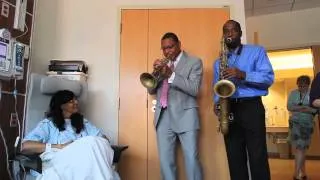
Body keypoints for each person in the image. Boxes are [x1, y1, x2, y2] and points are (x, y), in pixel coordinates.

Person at [213, 20, 274, 180]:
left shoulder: (257, 52)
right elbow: (217, 87)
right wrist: (217, 102)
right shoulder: (219, 62)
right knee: (234, 158)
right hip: (229, 108)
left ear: (240, 33)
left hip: (251, 107)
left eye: (233, 30)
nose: (230, 33)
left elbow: (268, 78)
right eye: (226, 30)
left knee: (257, 155)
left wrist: (243, 74)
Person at [22, 90, 119, 180]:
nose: (76, 102)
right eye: (71, 101)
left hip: (85, 161)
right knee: (92, 143)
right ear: (61, 105)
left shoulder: (84, 123)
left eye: (76, 100)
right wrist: (59, 146)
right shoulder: (48, 124)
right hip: (60, 160)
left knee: (95, 142)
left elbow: (103, 141)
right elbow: (25, 146)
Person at [147, 32, 203, 180]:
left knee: (191, 160)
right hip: (163, 116)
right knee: (166, 162)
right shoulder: (163, 65)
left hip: (186, 116)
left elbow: (194, 89)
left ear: (179, 44)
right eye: (164, 48)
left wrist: (171, 75)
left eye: (170, 47)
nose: (167, 51)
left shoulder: (194, 62)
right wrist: (155, 74)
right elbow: (151, 89)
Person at [287, 75, 317, 180]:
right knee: (299, 149)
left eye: (304, 86)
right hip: (294, 123)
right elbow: (289, 107)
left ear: (308, 85)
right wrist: (304, 108)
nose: (301, 88)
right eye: (299, 86)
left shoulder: (312, 94)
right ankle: (303, 173)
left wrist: (298, 108)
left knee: (301, 149)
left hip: (307, 125)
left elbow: (315, 110)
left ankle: (296, 174)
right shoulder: (293, 93)